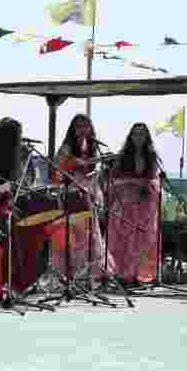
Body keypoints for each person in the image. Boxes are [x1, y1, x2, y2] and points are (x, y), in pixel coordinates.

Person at [52, 114, 114, 280]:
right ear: (73, 129)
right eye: (79, 126)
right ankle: (70, 272)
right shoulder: (67, 146)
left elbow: (94, 171)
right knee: (74, 234)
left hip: (89, 192)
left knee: (90, 233)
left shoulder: (93, 146)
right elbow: (58, 169)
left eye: (85, 126)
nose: (82, 130)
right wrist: (77, 163)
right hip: (71, 192)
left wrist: (100, 163)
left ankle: (88, 273)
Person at [106, 122, 162, 285]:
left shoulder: (152, 156)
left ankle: (137, 274)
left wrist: (147, 185)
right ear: (130, 136)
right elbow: (113, 181)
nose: (139, 137)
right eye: (136, 134)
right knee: (124, 240)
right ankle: (122, 274)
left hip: (144, 204)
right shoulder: (122, 156)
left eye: (142, 134)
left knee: (142, 241)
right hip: (125, 204)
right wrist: (131, 182)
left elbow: (155, 181)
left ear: (147, 137)